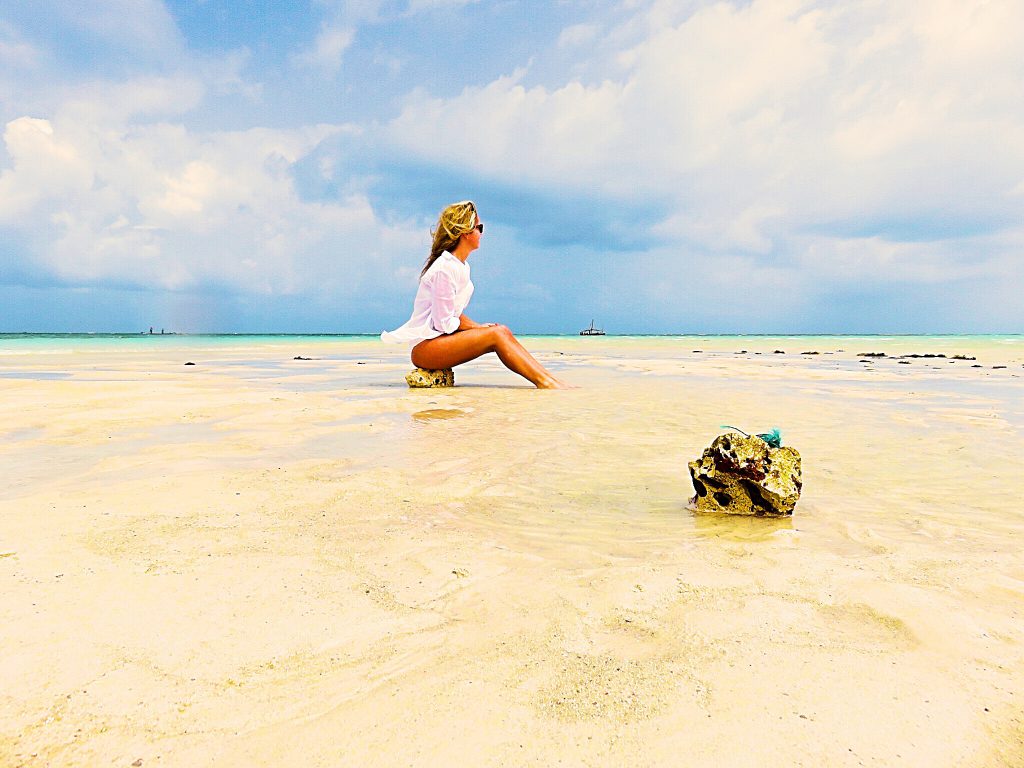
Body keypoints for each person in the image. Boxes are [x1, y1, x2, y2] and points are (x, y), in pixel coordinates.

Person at [381, 200, 571, 389]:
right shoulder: (444, 269)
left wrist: (478, 327)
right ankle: (546, 383)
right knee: (497, 333)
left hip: (437, 343)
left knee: (500, 331)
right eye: (479, 227)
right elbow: (443, 323)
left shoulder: (460, 266)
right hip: (425, 349)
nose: (481, 233)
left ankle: (550, 380)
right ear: (465, 232)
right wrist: (477, 330)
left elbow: (451, 313)